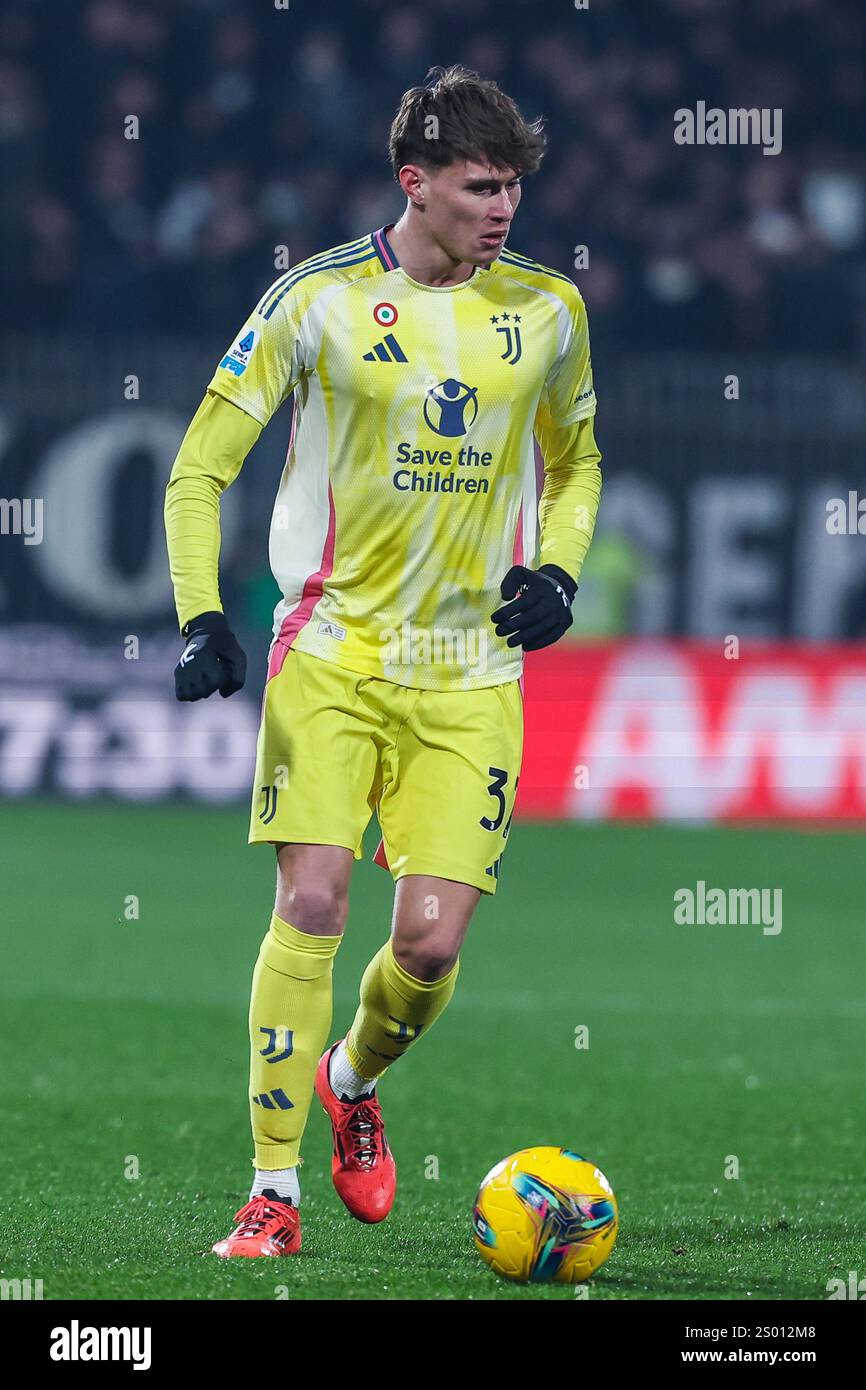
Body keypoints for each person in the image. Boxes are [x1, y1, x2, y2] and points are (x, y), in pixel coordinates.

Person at [164, 63, 602, 1259]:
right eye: (479, 186)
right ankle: (272, 1191)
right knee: (309, 899)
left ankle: (351, 1080)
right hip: (334, 653)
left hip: (471, 676)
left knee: (427, 945)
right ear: (414, 184)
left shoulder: (549, 312)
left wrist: (558, 574)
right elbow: (200, 466)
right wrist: (202, 613)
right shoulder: (312, 301)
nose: (503, 206)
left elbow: (577, 463)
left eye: (513, 184)